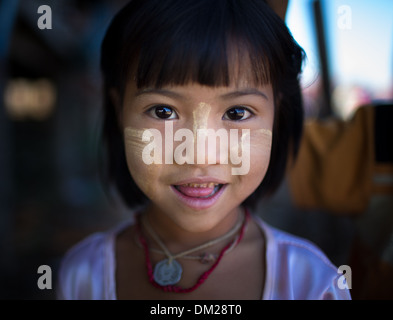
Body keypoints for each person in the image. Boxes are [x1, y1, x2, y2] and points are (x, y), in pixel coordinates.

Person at [56, 0, 351, 300]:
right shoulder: (82, 275)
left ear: (278, 115)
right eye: (162, 111)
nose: (199, 154)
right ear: (119, 112)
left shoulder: (313, 284)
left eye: (237, 113)